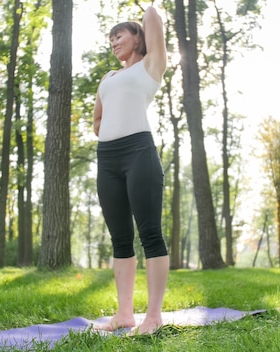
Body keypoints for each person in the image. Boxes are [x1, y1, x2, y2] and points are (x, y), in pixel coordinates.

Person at [92, 5, 169, 335]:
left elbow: (152, 17)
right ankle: (124, 314)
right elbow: (97, 119)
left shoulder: (151, 67)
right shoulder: (107, 78)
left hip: (139, 152)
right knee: (120, 238)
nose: (113, 42)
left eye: (119, 35)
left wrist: (145, 13)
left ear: (138, 38)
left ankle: (153, 316)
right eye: (110, 39)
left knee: (150, 234)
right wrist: (108, 127)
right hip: (108, 158)